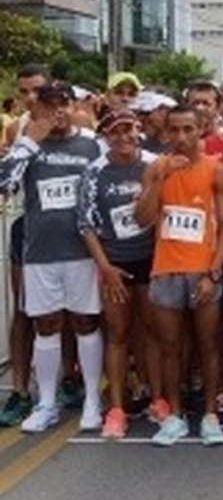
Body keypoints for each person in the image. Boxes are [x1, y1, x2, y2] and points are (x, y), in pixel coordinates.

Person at [0, 81, 103, 434]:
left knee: (85, 323)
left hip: (82, 253)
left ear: (74, 107)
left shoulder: (91, 145)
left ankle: (92, 399)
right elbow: (4, 183)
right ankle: (46, 403)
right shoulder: (27, 146)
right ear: (38, 109)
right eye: (50, 105)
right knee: (46, 325)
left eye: (64, 104)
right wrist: (29, 141)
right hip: (40, 253)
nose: (57, 111)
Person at [134, 105, 223, 445]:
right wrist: (160, 178)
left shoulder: (215, 170)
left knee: (207, 345)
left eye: (188, 129)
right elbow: (142, 219)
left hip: (202, 271)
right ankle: (174, 415)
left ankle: (209, 414)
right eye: (174, 130)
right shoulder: (156, 168)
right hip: (165, 270)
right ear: (166, 133)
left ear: (201, 128)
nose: (181, 137)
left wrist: (213, 272)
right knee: (170, 347)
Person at [77, 109, 159, 439]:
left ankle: (157, 399)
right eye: (117, 131)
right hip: (115, 262)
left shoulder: (154, 163)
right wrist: (105, 267)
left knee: (151, 332)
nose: (125, 136)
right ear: (106, 135)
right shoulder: (94, 172)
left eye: (130, 130)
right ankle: (115, 409)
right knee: (119, 333)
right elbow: (85, 224)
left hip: (152, 259)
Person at [0, 64, 49, 428]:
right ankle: (19, 389)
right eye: (24, 92)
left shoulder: (77, 123)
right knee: (25, 309)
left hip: (68, 231)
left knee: (68, 316)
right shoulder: (17, 127)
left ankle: (69, 379)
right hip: (26, 227)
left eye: (38, 91)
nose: (31, 98)